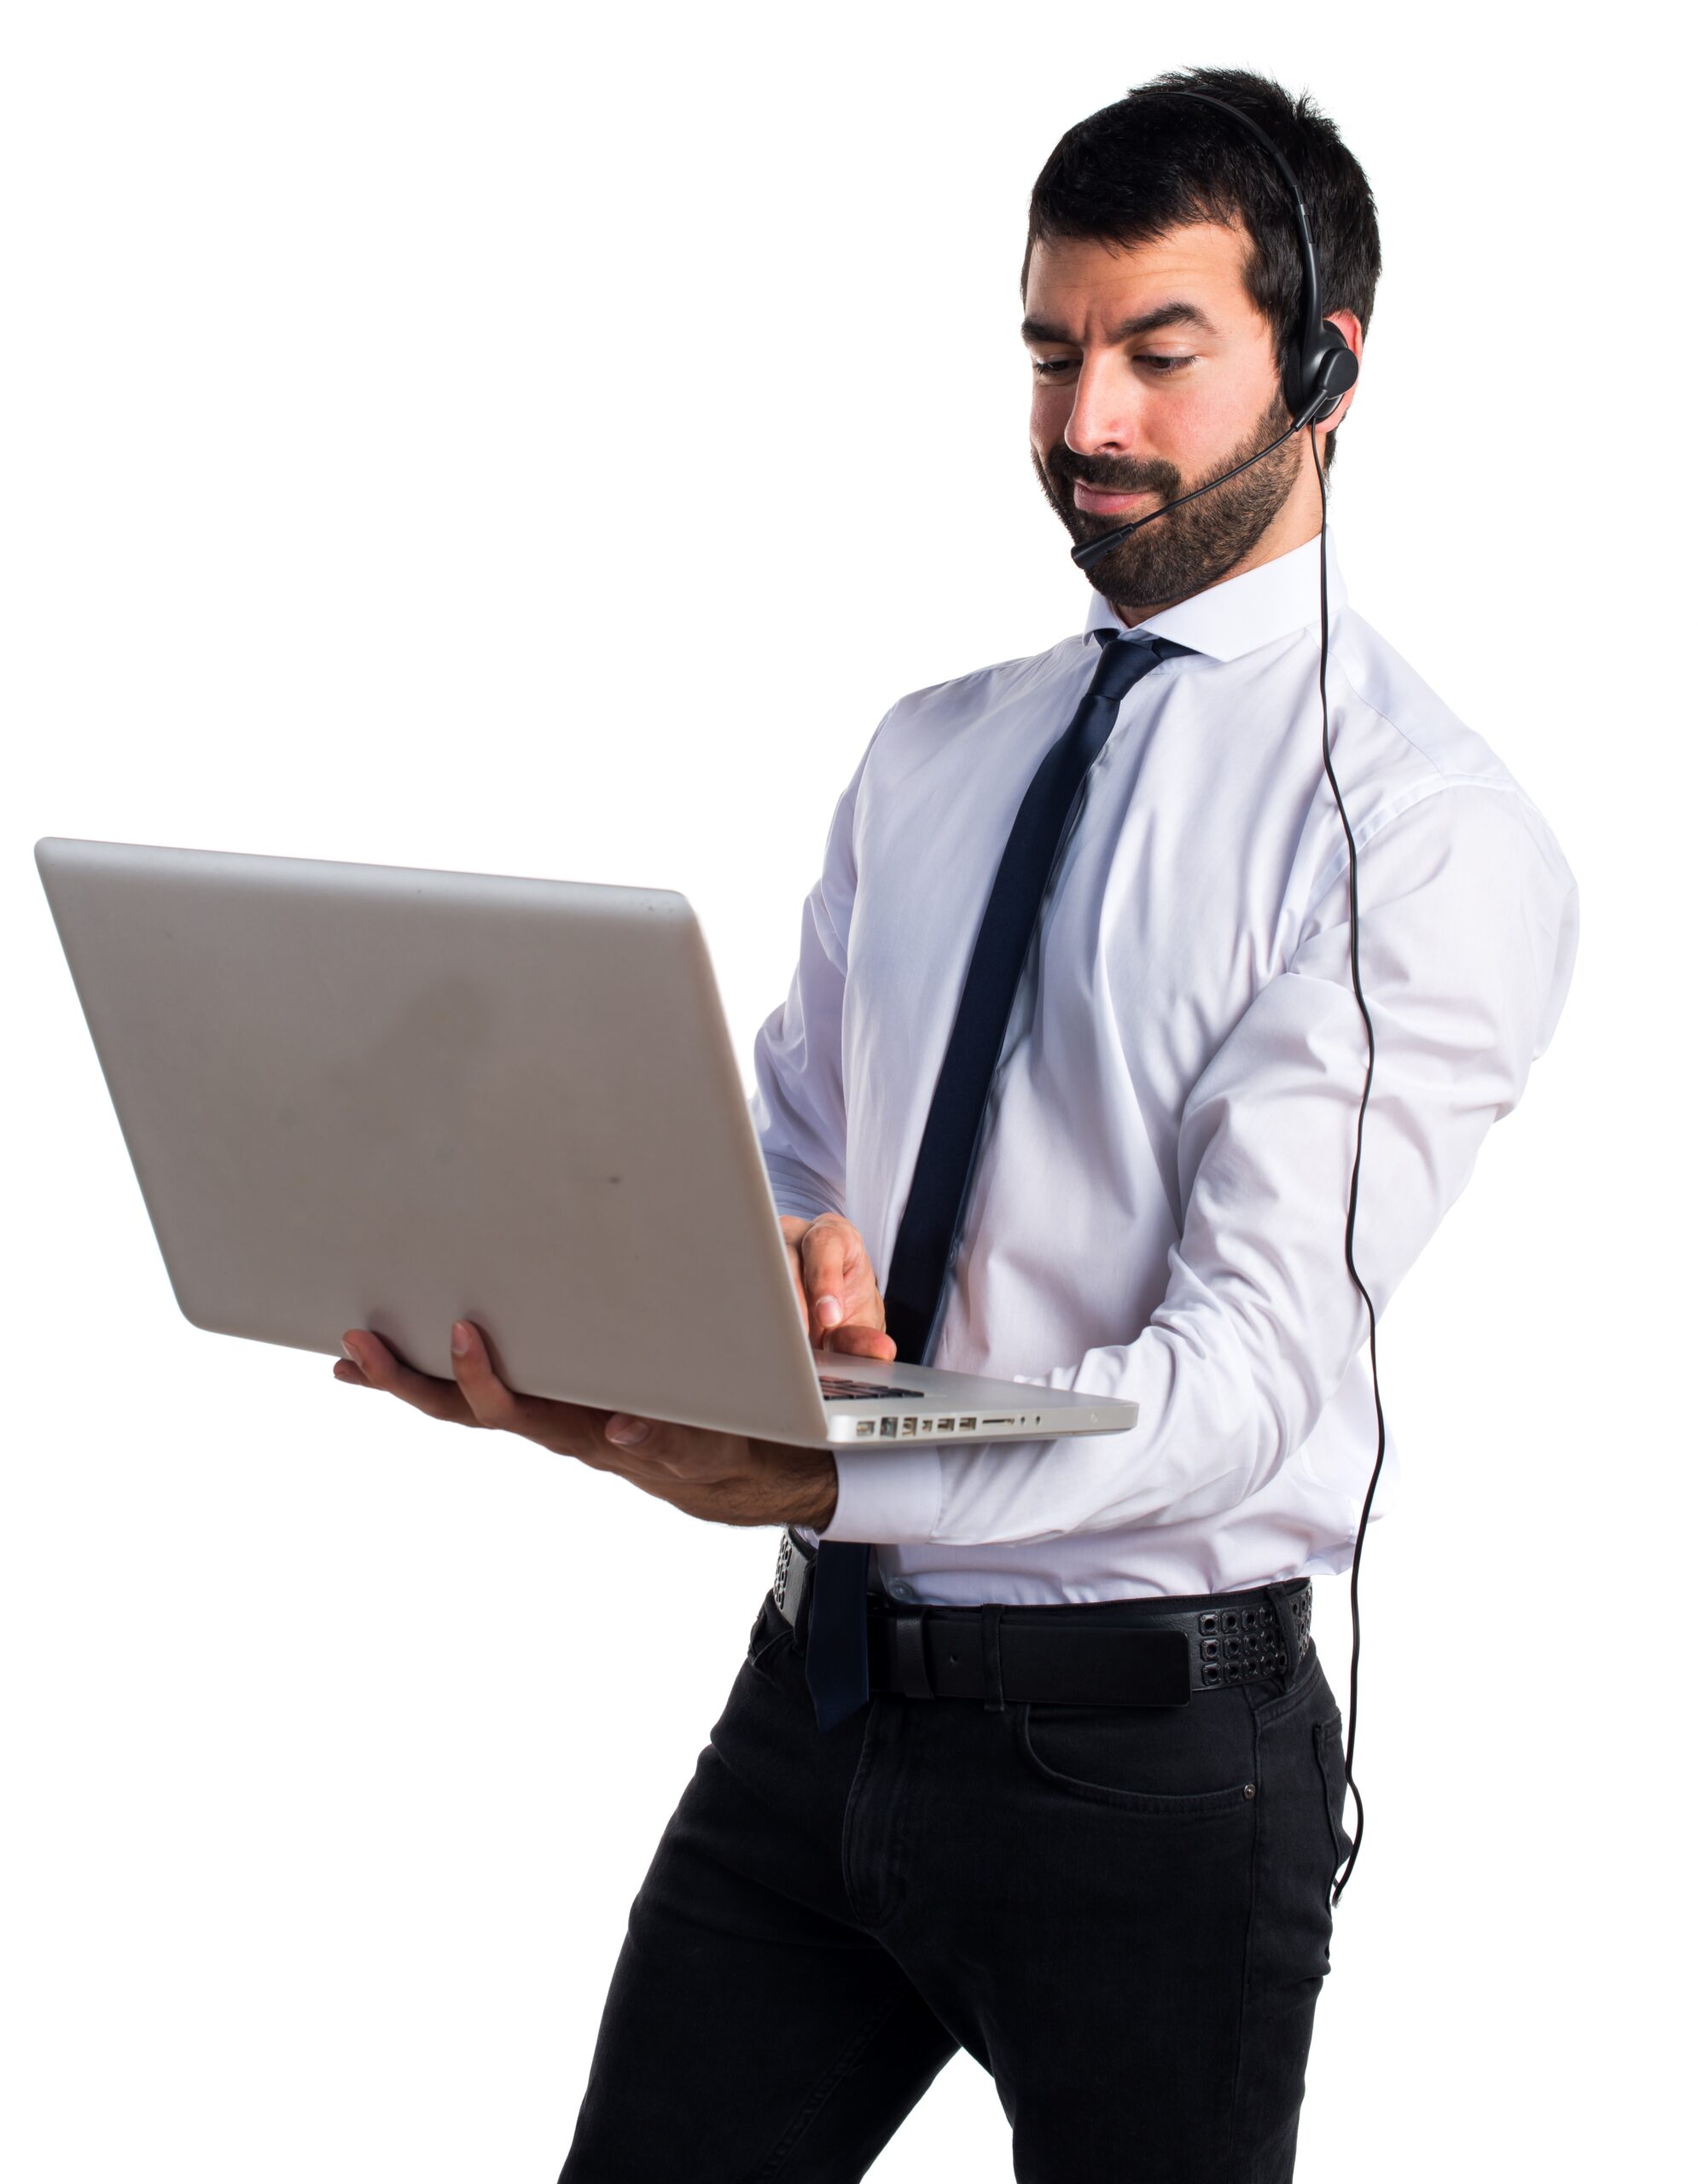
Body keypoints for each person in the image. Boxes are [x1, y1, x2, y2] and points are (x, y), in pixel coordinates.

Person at [334, 64, 1579, 2182]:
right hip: (812, 1711)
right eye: (1048, 348)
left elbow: (1238, 1388)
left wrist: (832, 1455)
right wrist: (704, 1309)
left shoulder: (1419, 842)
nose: (1084, 421)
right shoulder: (928, 757)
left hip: (1146, 1777)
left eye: (1157, 354)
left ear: (1327, 369)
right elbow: (794, 1128)